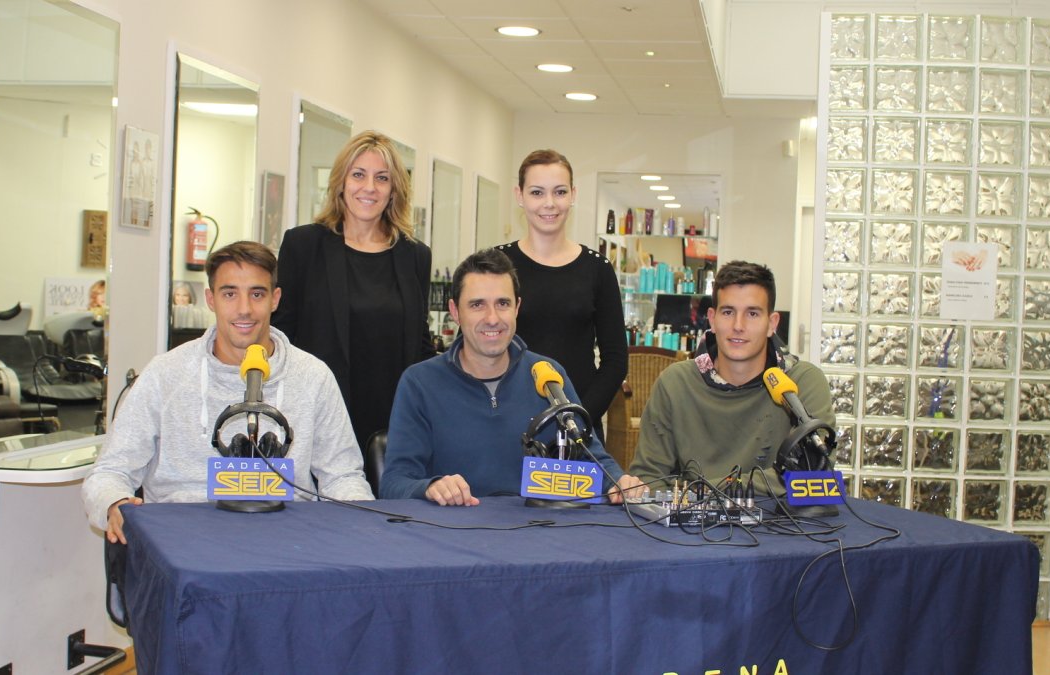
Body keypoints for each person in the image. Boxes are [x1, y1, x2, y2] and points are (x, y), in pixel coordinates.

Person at [82, 241, 373, 543]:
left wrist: (360, 523)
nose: (244, 309)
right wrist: (114, 503)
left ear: (275, 299)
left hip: (288, 544)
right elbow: (109, 472)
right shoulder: (165, 374)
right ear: (211, 299)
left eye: (257, 294)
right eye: (230, 293)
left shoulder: (313, 376)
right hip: (183, 543)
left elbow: (342, 476)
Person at [380, 248, 643, 506]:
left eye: (502, 304)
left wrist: (619, 482)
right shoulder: (419, 383)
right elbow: (394, 483)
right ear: (455, 311)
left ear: (517, 307)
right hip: (454, 535)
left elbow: (594, 460)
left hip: (538, 535)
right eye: (477, 305)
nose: (492, 318)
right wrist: (430, 487)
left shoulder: (548, 376)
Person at [273, 130, 434, 491]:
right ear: (340, 182)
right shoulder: (303, 246)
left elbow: (420, 344)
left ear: (395, 189)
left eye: (382, 178)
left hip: (392, 418)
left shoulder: (414, 255)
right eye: (358, 174)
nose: (369, 188)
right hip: (320, 415)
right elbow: (280, 338)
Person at [629, 260, 835, 490]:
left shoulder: (801, 383)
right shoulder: (675, 383)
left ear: (772, 324)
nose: (738, 325)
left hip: (779, 523)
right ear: (712, 319)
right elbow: (647, 479)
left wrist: (699, 490)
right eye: (728, 312)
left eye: (753, 314)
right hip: (692, 524)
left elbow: (813, 471)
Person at [496, 149, 626, 442]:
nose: (549, 204)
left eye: (560, 192)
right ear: (520, 195)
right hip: (507, 423)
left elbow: (616, 360)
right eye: (537, 192)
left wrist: (580, 418)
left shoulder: (598, 269)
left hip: (579, 427)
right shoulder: (497, 265)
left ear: (573, 195)